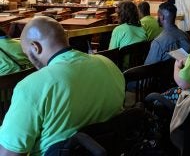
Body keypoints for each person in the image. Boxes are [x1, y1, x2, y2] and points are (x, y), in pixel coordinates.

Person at [0, 16, 125, 155]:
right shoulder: (108, 64)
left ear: (35, 47)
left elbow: (9, 153)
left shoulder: (31, 86)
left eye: (27, 53)